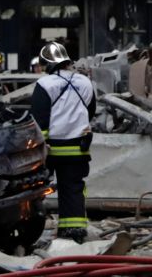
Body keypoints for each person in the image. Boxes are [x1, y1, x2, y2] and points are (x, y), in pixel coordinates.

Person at [30, 42, 97, 243]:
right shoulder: (85, 83)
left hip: (52, 150)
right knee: (74, 188)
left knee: (36, 190)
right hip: (78, 148)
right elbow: (90, 111)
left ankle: (31, 227)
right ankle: (74, 230)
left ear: (48, 63)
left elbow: (38, 119)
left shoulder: (45, 84)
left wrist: (40, 147)